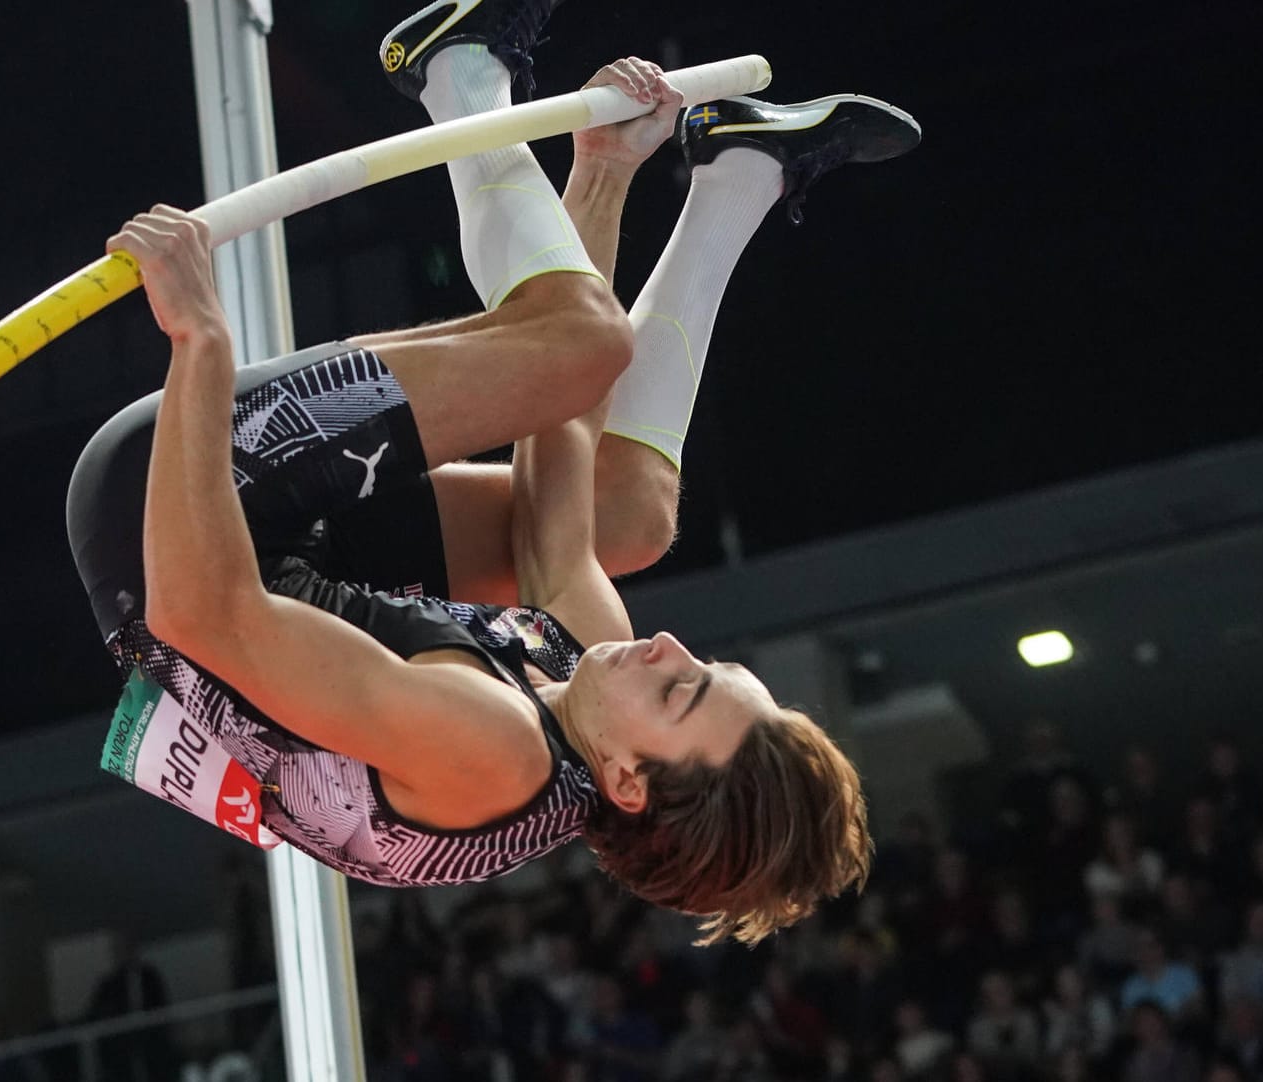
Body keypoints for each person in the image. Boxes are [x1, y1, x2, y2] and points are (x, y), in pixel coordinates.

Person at [68, 0, 917, 943]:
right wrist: (603, 170)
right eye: (711, 664)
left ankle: (454, 69)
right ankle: (740, 173)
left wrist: (199, 341)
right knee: (625, 516)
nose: (672, 649)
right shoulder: (589, 700)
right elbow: (563, 441)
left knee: (580, 342)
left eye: (682, 692)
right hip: (305, 553)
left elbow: (196, 613)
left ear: (631, 783)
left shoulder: (491, 752)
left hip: (178, 514)